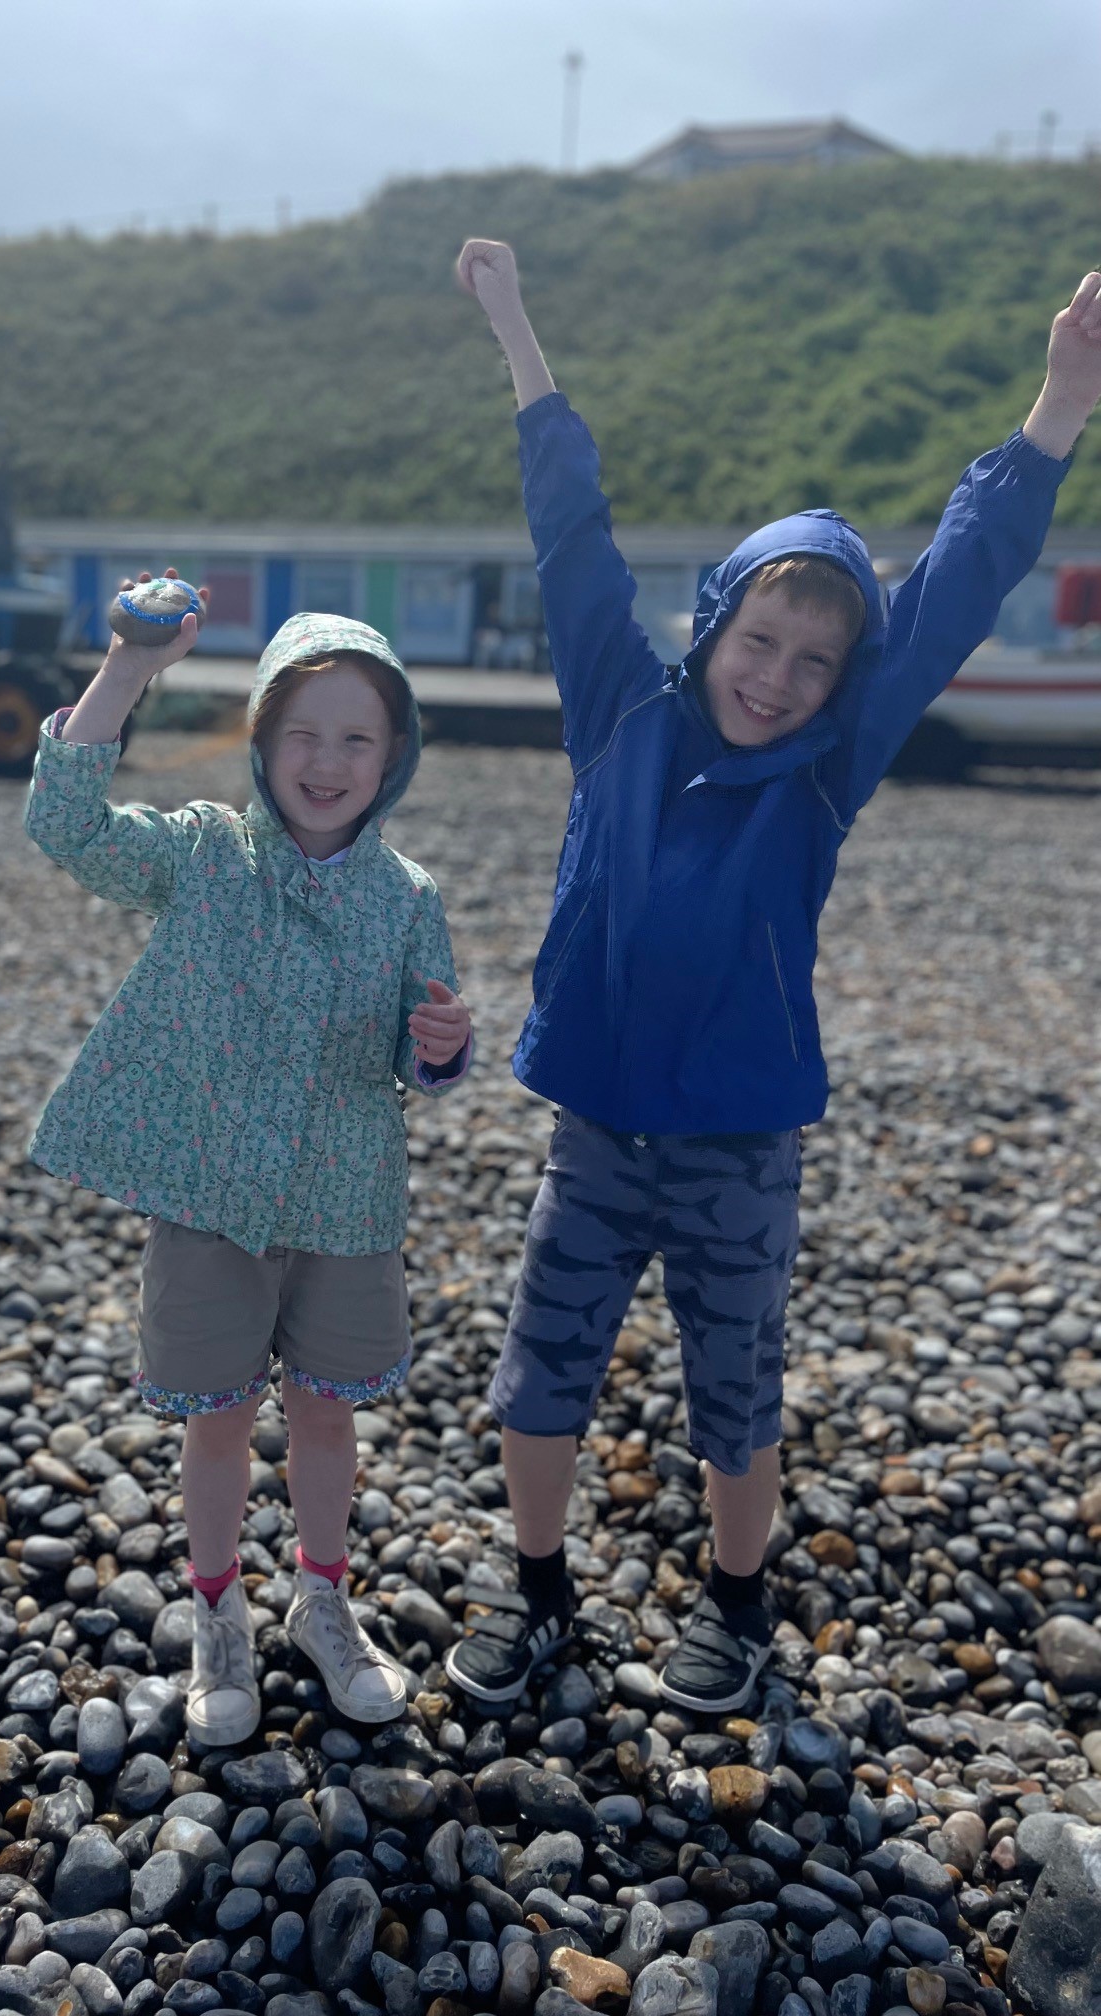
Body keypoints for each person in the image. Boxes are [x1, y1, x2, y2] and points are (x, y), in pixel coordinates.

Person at [446, 241, 1101, 1712]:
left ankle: (739, 1607)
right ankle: (538, 1586)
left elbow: (956, 587)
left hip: (741, 1131)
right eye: (762, 640)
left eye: (817, 660)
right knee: (541, 1365)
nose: (780, 678)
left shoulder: (825, 764)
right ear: (715, 624)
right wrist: (516, 331)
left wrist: (1061, 404)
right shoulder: (620, 704)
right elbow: (570, 527)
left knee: (731, 1382)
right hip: (598, 1118)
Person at [24, 585, 473, 1744]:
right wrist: (128, 669)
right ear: (263, 742)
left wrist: (444, 1050)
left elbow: (420, 1058)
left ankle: (322, 1598)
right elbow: (66, 829)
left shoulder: (409, 897)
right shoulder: (204, 854)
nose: (328, 761)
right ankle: (218, 1612)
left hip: (345, 1200)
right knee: (215, 1418)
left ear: (395, 755)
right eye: (303, 733)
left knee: (327, 1415)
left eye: (357, 737)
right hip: (209, 1192)